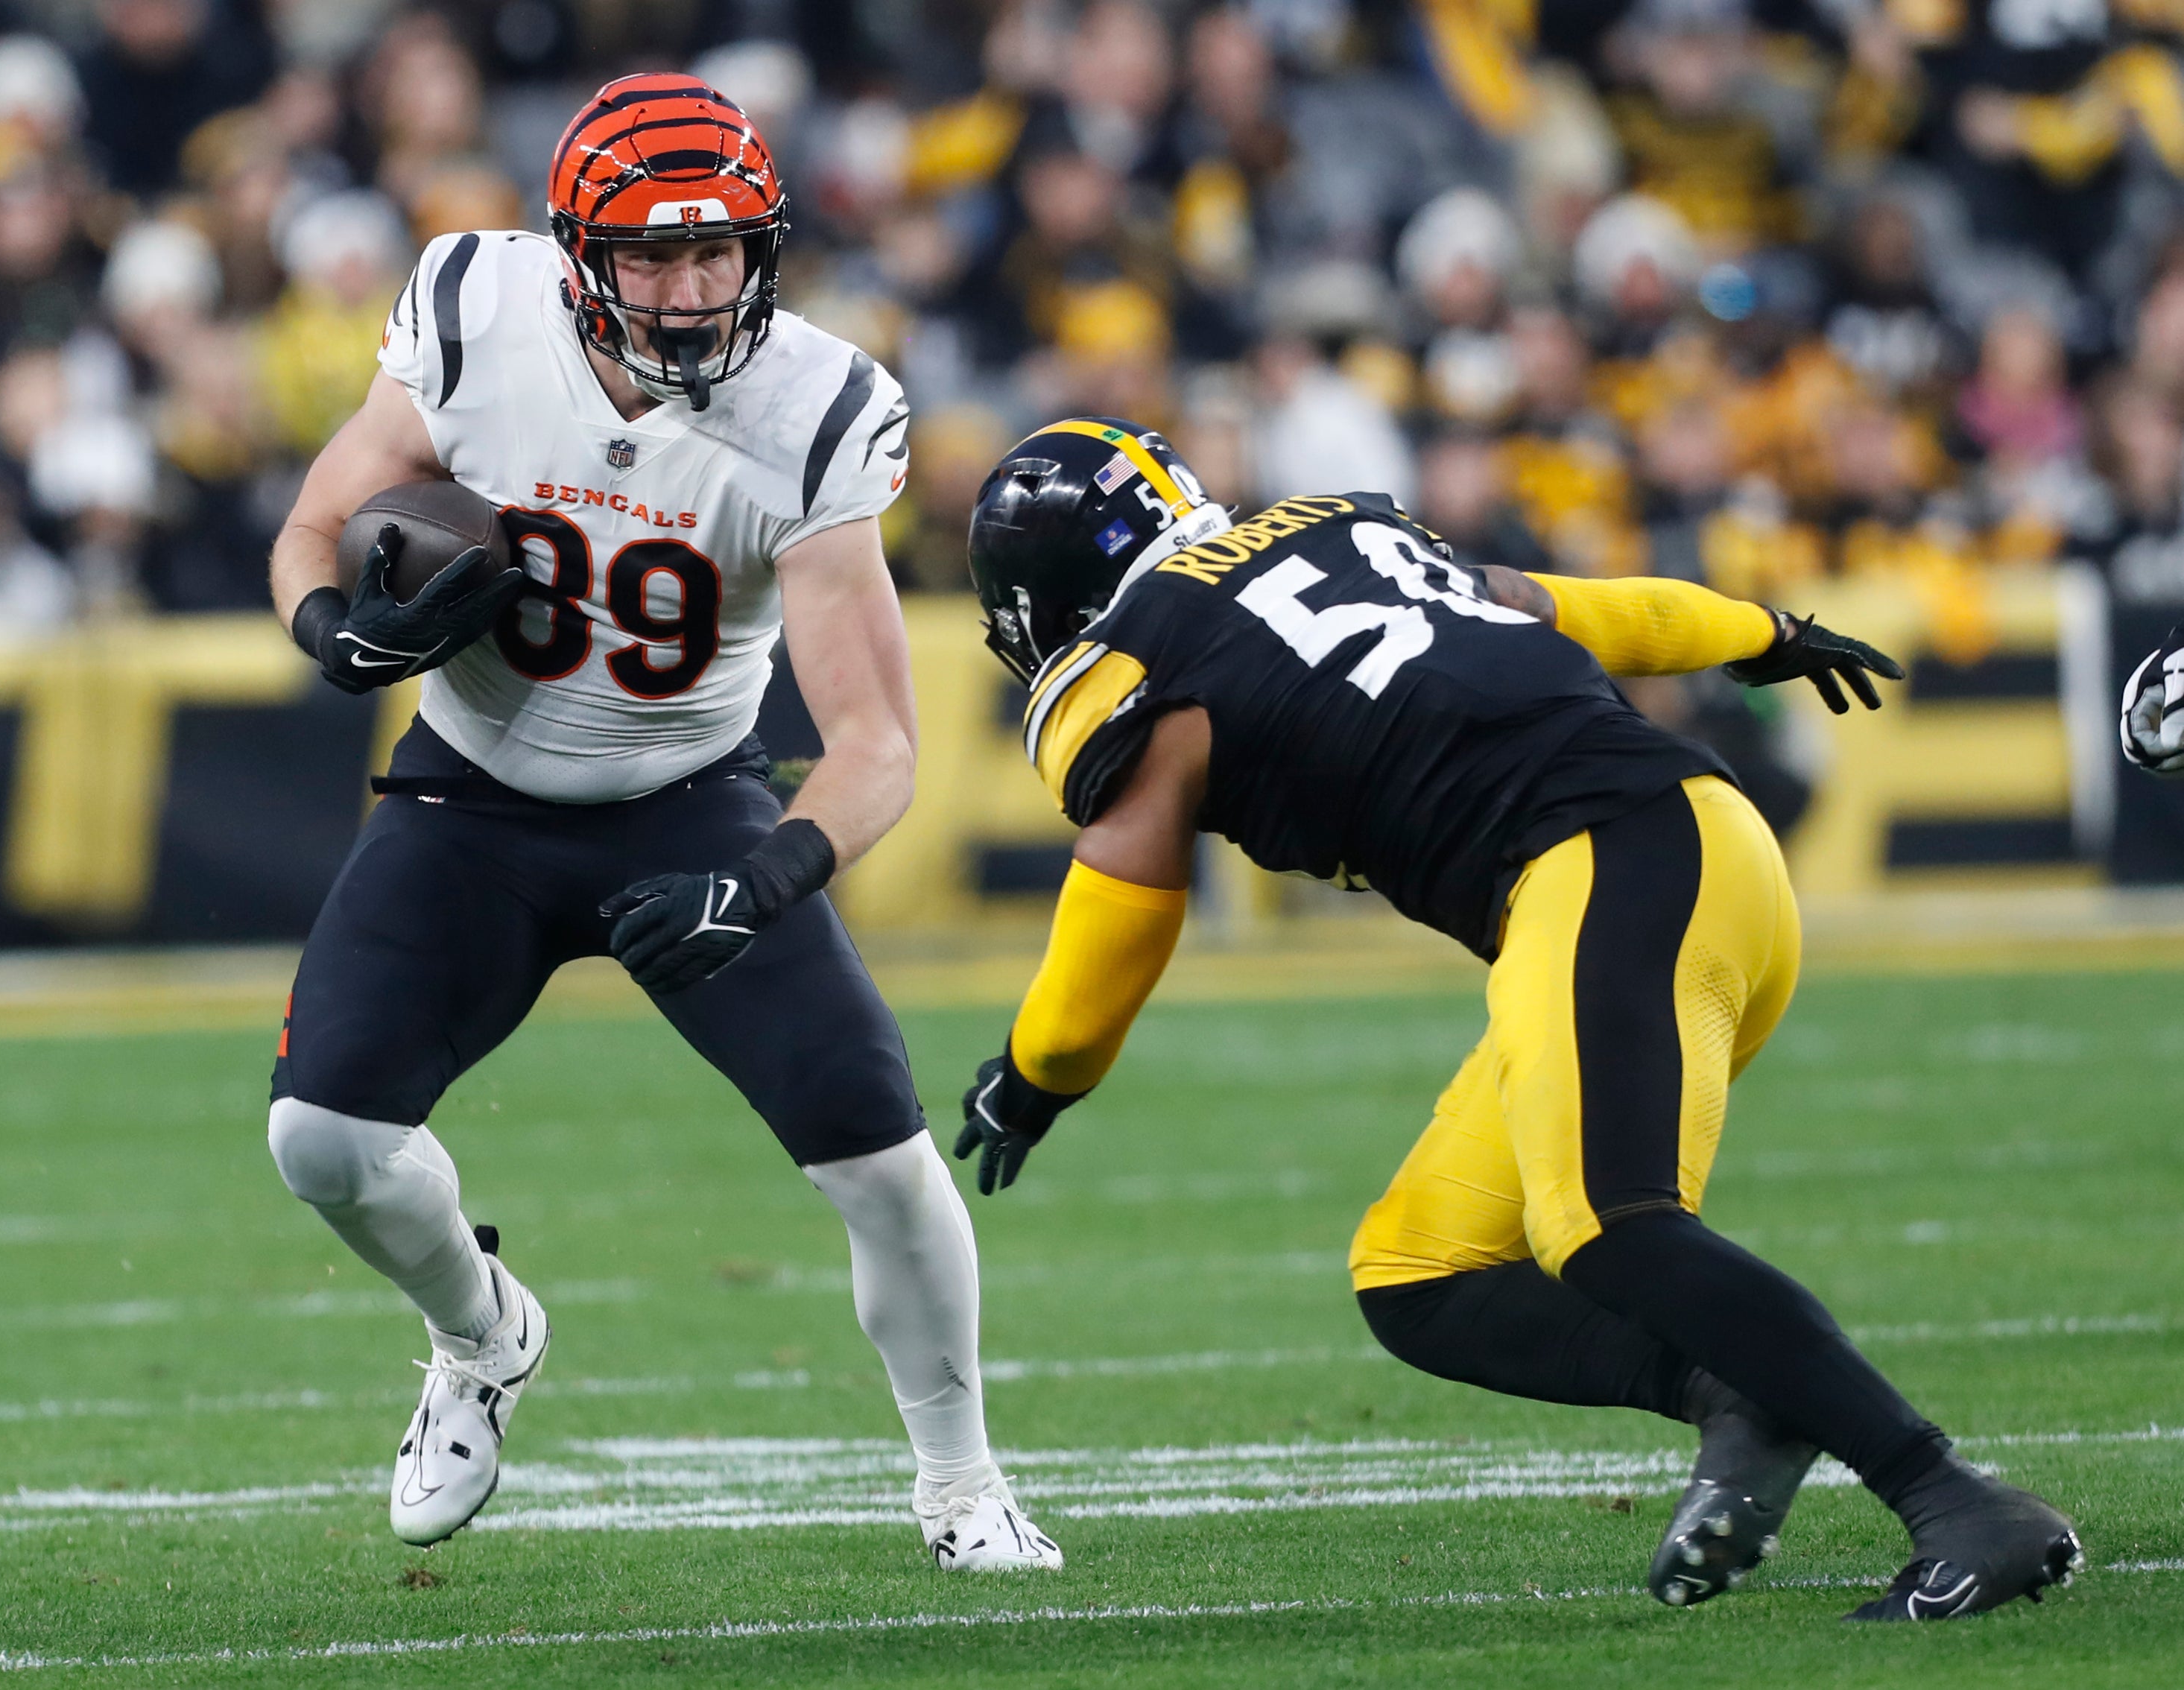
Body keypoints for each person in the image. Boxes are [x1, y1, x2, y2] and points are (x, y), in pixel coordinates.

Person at [954, 417, 2083, 1619]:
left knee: (1610, 1227)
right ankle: (1741, 1393)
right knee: (1418, 1271)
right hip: (1689, 854)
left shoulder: (1133, 671)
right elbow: (1588, 610)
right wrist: (1765, 631)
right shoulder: (1339, 525)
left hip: (1609, 865)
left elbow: (1116, 931)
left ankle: (1951, 1495)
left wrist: (1032, 1080)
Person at [261, 74, 1060, 1574]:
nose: (692, 293)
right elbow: (314, 524)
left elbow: (879, 747)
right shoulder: (469, 308)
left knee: (880, 1156)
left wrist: (759, 887)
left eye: (720, 255)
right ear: (578, 258)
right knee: (320, 1140)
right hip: (471, 789)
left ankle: (961, 1484)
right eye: (652, 256)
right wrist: (326, 626)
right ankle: (480, 1336)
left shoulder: (816, 408)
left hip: (689, 801)